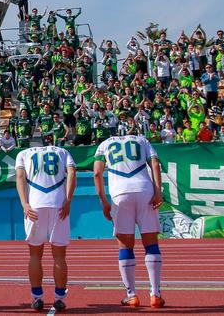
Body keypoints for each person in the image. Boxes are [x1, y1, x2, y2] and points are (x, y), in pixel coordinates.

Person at [93, 134, 165, 309]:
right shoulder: (142, 140)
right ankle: (155, 294)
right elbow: (155, 164)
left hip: (120, 193)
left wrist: (104, 202)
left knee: (125, 246)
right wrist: (158, 192)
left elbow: (97, 173)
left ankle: (132, 295)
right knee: (151, 244)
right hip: (144, 190)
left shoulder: (104, 144)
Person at [15, 145, 77, 312]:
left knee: (35, 254)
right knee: (59, 256)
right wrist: (68, 200)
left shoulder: (23, 154)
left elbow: (20, 177)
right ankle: (59, 298)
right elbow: (72, 172)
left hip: (34, 205)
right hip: (58, 203)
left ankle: (37, 298)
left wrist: (24, 203)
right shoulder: (63, 152)